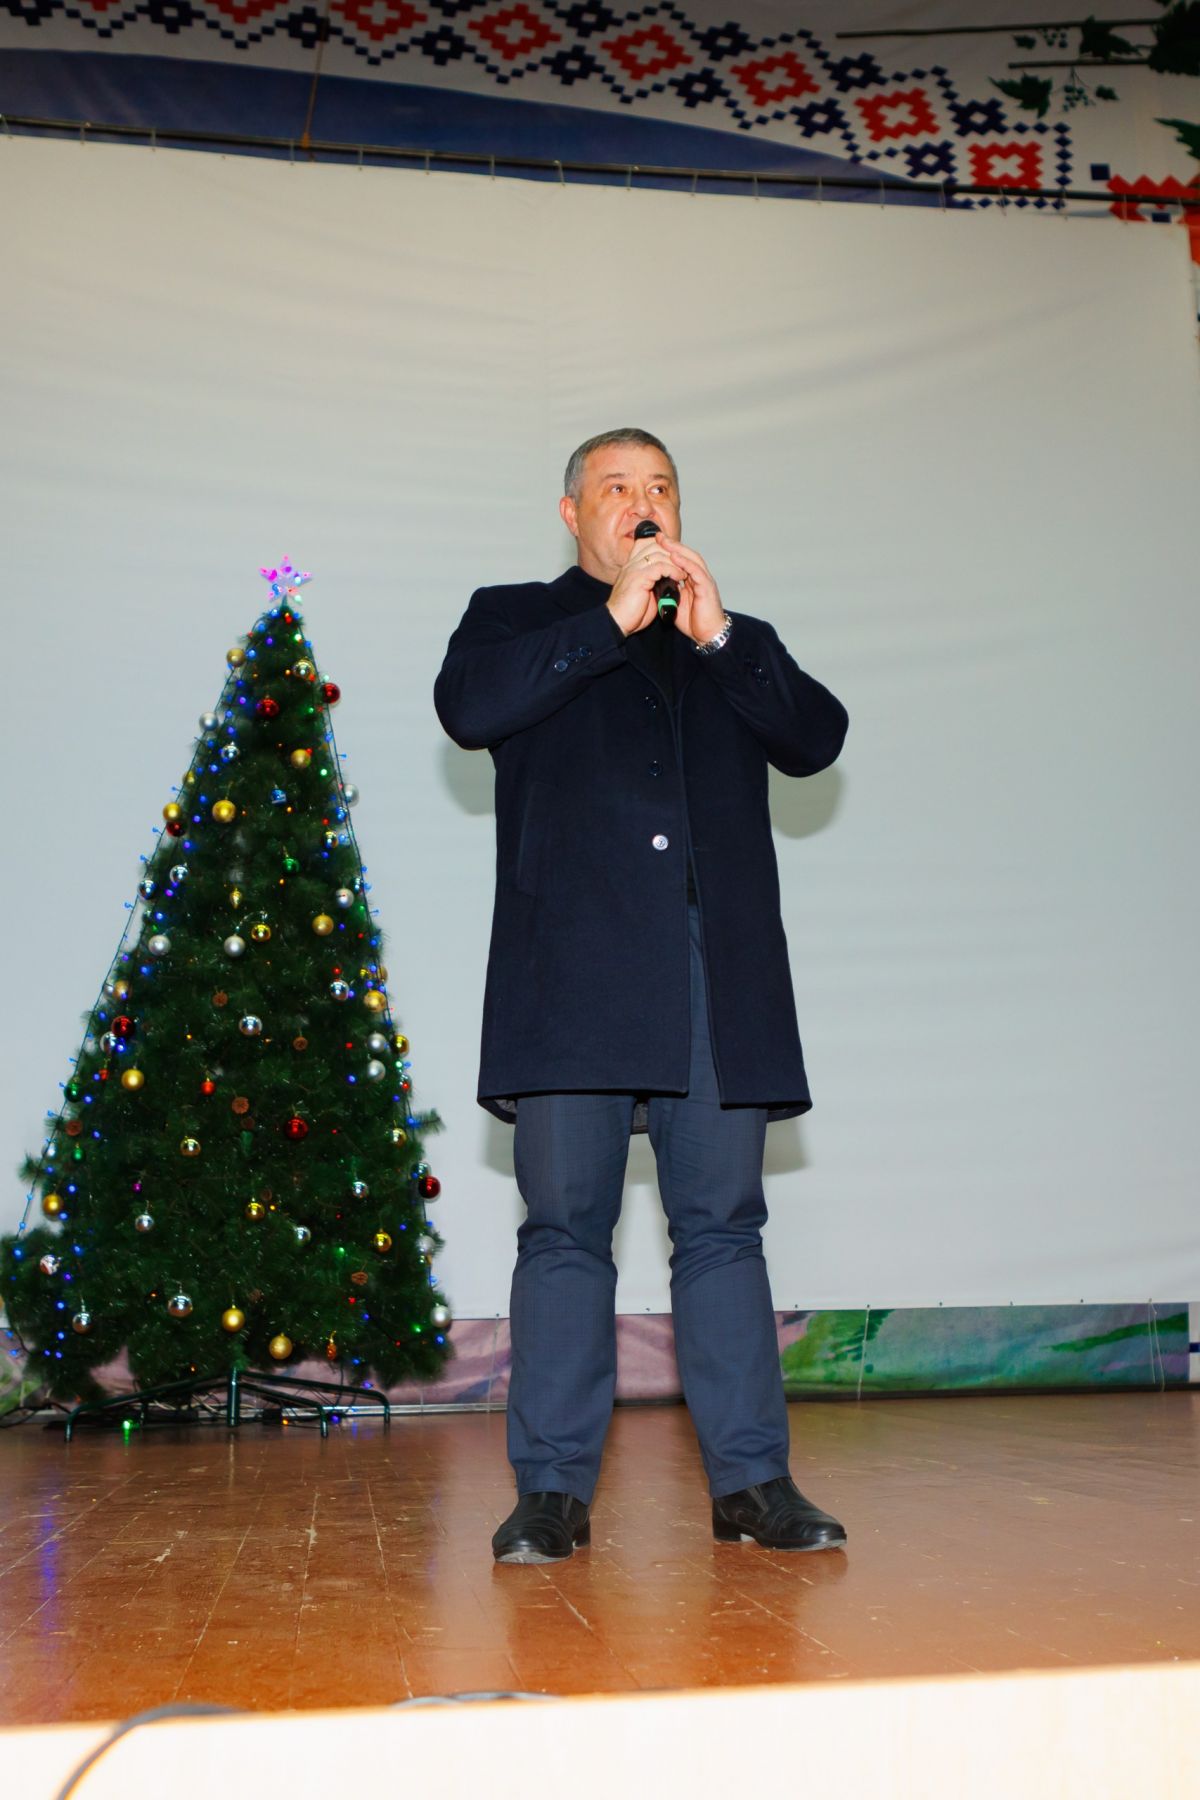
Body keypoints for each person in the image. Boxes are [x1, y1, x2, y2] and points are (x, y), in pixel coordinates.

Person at [434, 428, 850, 1564]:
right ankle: (551, 1492)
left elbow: (816, 739)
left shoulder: (727, 636)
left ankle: (753, 1483)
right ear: (573, 513)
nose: (642, 501)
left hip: (714, 975)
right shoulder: (516, 618)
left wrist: (717, 637)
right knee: (565, 1230)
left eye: (658, 485)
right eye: (616, 487)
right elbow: (468, 708)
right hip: (571, 977)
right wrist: (609, 622)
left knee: (723, 1228)